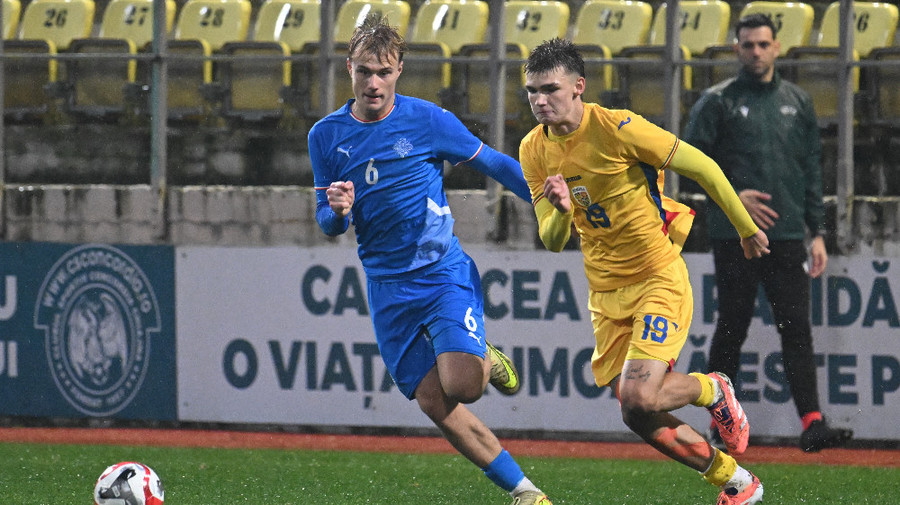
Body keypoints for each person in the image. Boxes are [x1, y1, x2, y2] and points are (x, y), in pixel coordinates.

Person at [308, 16, 551, 505]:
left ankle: (485, 358)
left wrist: (548, 201)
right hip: (386, 287)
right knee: (434, 401)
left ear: (399, 70)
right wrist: (337, 212)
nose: (372, 83)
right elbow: (328, 223)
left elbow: (495, 164)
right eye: (363, 72)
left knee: (464, 385)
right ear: (347, 69)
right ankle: (525, 492)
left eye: (383, 71)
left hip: (441, 272)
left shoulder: (428, 120)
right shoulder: (325, 136)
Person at [519, 38, 771, 505]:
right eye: (531, 91)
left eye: (549, 89)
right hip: (605, 293)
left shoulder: (617, 127)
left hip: (657, 276)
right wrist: (557, 208)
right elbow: (553, 241)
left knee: (638, 395)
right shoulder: (533, 149)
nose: (538, 100)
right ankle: (737, 483)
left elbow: (705, 167)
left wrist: (746, 227)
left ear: (578, 87)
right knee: (635, 412)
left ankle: (712, 389)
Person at [683, 13, 853, 453]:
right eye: (747, 45)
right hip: (735, 234)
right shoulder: (717, 101)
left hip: (788, 234)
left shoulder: (798, 101)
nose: (755, 51)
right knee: (732, 327)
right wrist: (735, 197)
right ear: (736, 49)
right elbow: (686, 163)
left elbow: (811, 170)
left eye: (762, 44)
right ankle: (721, 426)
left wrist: (817, 232)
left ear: (777, 47)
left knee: (796, 327)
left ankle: (812, 423)